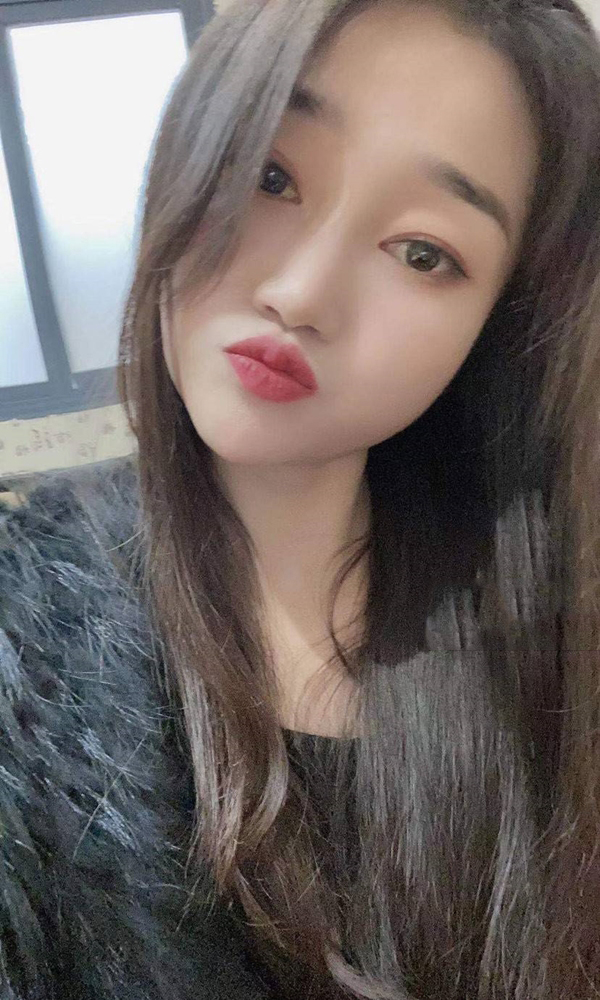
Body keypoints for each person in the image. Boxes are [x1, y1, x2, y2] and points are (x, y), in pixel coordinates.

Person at [1, 0, 600, 996]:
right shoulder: (22, 645)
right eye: (273, 177)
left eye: (424, 252)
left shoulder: (556, 652)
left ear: (500, 328)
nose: (303, 292)